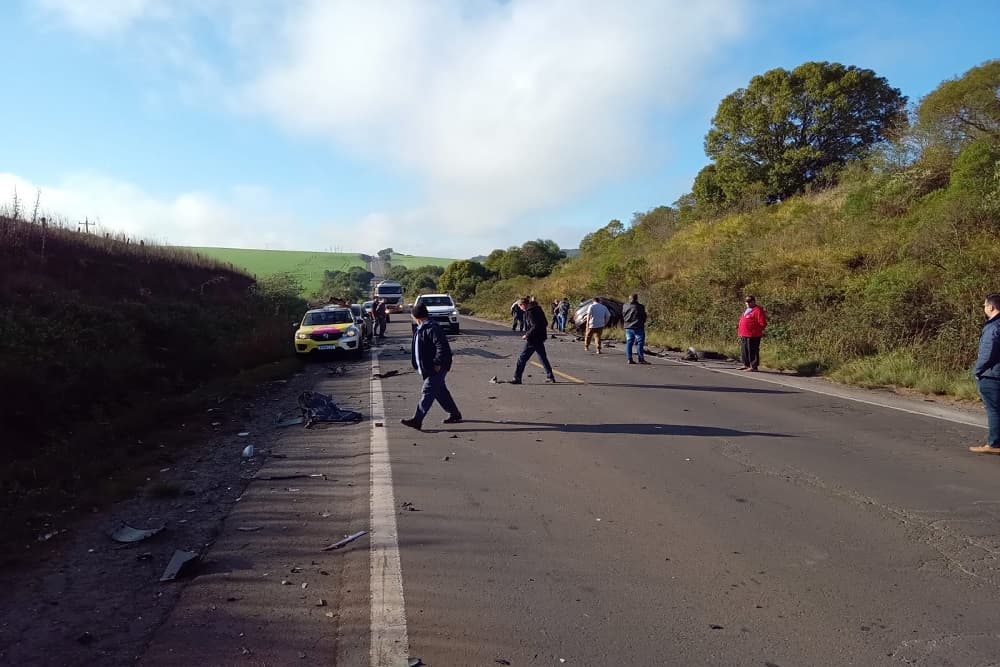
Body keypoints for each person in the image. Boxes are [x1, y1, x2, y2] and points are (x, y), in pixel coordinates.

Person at [400, 303, 462, 431]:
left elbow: (442, 346)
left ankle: (417, 420)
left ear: (415, 316)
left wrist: (438, 363)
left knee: (427, 391)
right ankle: (455, 414)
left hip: (436, 367)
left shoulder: (432, 328)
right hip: (429, 367)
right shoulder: (422, 327)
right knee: (440, 392)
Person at [970, 293, 1000, 454]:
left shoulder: (993, 327)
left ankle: (994, 444)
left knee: (994, 410)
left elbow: (988, 352)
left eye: (984, 305)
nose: (984, 308)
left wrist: (978, 370)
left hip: (992, 375)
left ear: (991, 306)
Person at [511, 296, 556, 384]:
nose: (520, 308)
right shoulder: (538, 309)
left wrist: (527, 335)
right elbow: (545, 323)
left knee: (522, 358)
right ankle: (550, 376)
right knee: (542, 357)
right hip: (540, 337)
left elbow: (534, 325)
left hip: (533, 338)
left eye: (520, 306)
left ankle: (517, 378)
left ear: (523, 305)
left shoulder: (530, 312)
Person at [737, 295, 768, 371]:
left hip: (753, 335)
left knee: (752, 350)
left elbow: (762, 323)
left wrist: (756, 330)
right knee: (744, 350)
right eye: (746, 302)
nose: (747, 303)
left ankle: (753, 366)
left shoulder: (758, 310)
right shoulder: (747, 310)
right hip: (744, 333)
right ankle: (746, 364)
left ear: (753, 302)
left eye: (749, 302)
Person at [622, 293, 649, 365]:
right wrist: (643, 322)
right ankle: (641, 359)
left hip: (628, 326)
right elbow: (644, 316)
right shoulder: (640, 307)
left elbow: (623, 315)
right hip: (638, 326)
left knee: (629, 342)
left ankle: (629, 358)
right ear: (636, 298)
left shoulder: (625, 306)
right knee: (640, 343)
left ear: (629, 298)